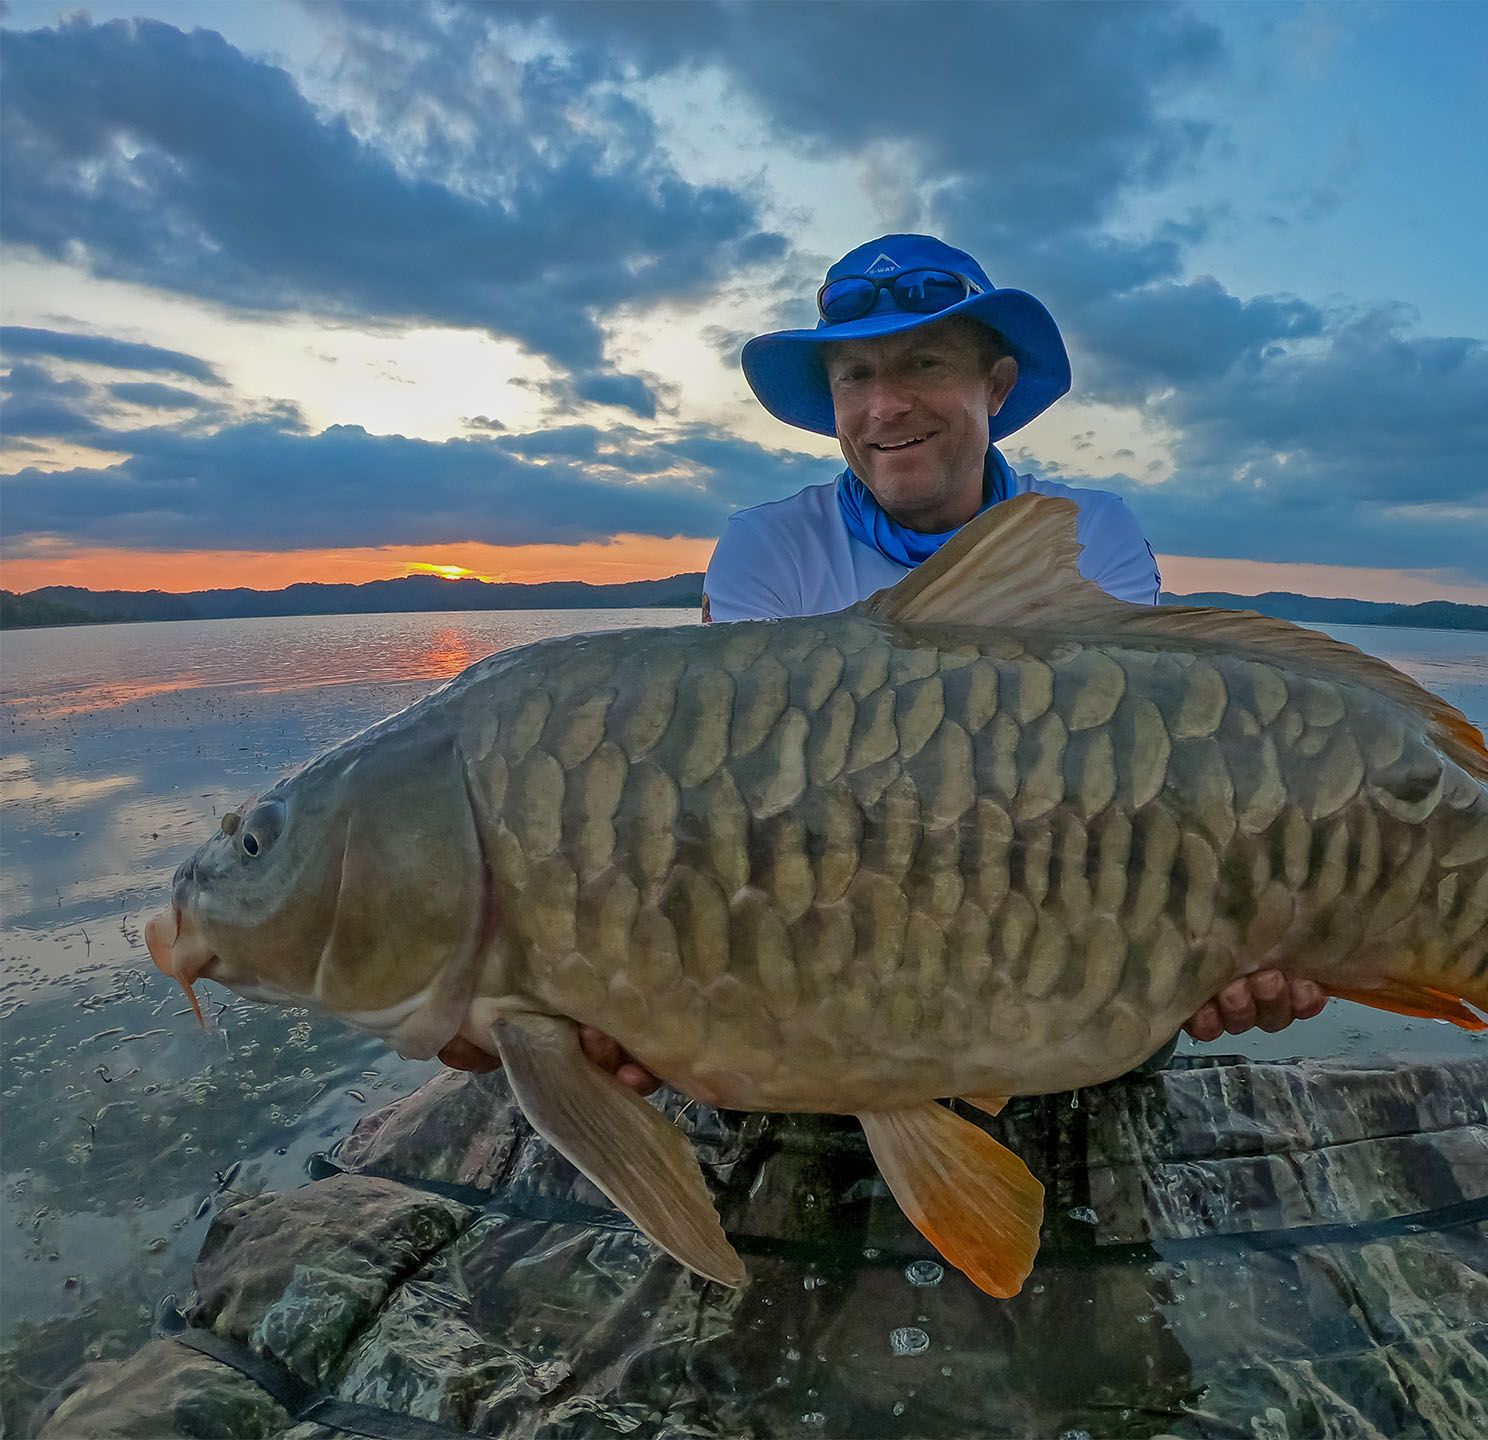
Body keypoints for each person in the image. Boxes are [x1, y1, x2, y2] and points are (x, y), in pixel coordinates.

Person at [439, 235, 1324, 1092]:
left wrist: (1247, 927)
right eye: (855, 376)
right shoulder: (768, 546)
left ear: (997, 384)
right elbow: (727, 804)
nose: (885, 405)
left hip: (1066, 975)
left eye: (925, 364)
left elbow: (1132, 781)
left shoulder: (1090, 532)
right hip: (832, 981)